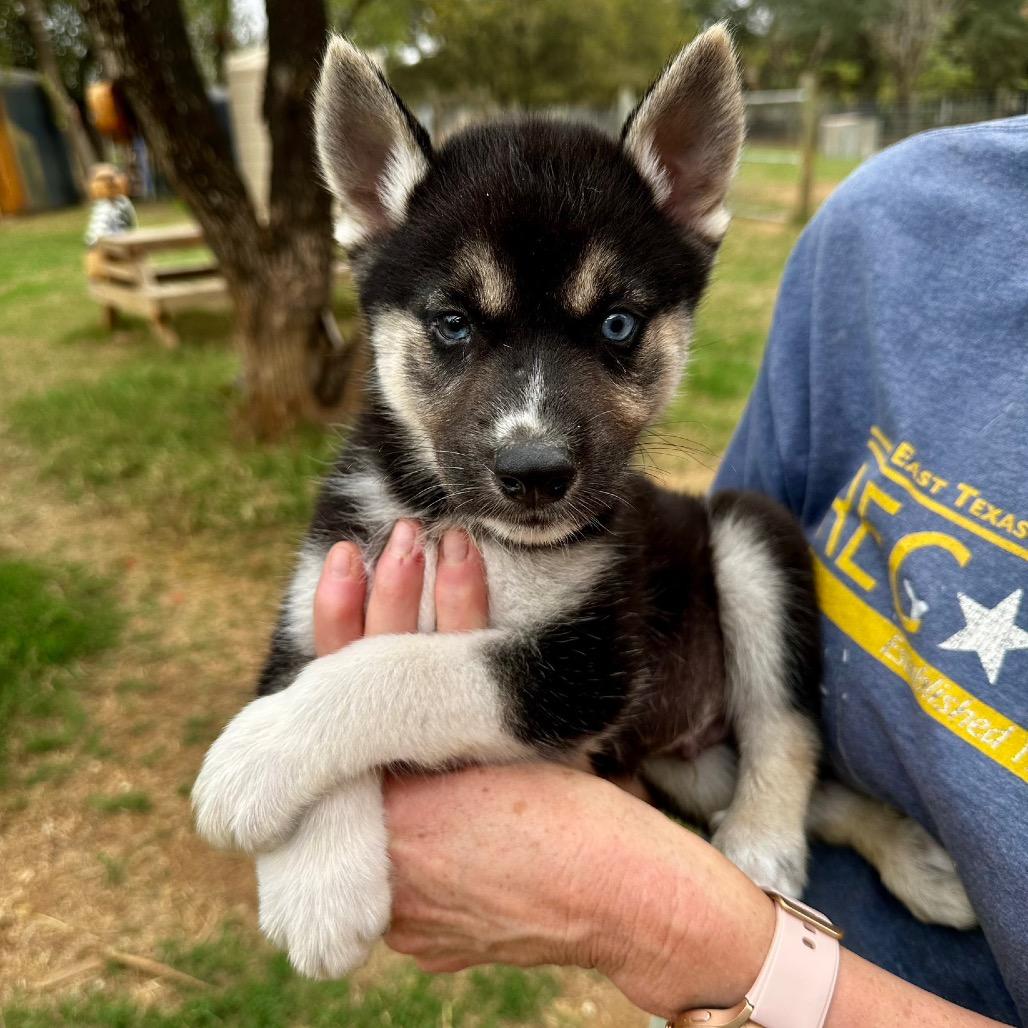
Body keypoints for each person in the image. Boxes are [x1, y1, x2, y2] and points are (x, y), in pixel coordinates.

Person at [310, 118, 1027, 1027]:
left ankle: (796, 788)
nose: (532, 435)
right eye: (454, 326)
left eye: (615, 327)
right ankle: (842, 818)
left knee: (749, 544)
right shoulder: (888, 218)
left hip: (725, 842)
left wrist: (669, 918)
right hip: (666, 773)